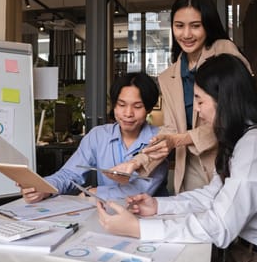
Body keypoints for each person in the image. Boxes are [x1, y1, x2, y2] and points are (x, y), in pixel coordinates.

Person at [97, 54, 257, 262]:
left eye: (200, 101)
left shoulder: (256, 145)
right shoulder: (242, 140)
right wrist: (157, 206)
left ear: (224, 100)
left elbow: (220, 225)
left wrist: (139, 229)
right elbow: (211, 196)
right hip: (246, 257)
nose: (198, 111)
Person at [109, 0, 252, 194]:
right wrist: (135, 162)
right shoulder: (168, 76)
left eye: (195, 26)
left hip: (229, 162)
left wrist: (179, 139)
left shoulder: (223, 51)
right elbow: (170, 130)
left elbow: (237, 114)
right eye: (179, 26)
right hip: (189, 172)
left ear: (208, 25)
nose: (186, 34)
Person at [21, 72, 168, 203]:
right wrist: (44, 187)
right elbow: (70, 173)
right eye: (121, 105)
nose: (128, 113)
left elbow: (142, 190)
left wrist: (95, 192)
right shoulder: (98, 136)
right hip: (104, 215)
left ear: (148, 109)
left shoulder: (159, 139)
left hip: (149, 218)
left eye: (137, 107)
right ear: (114, 106)